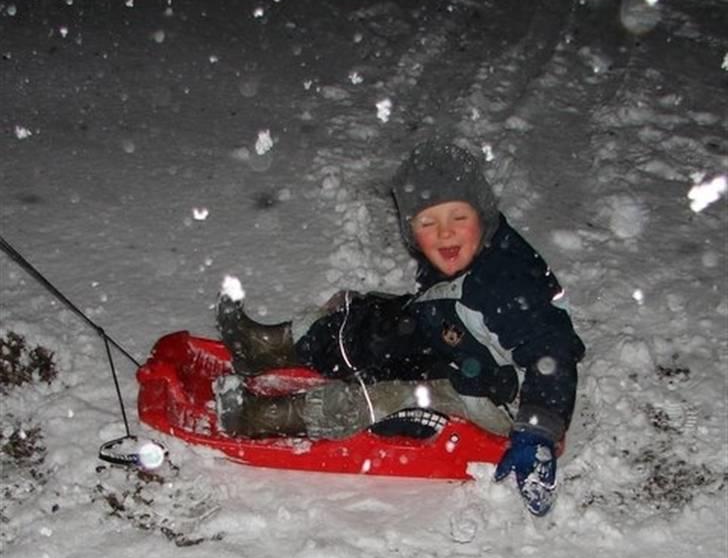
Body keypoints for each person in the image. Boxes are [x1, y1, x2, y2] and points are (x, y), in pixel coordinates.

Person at [216, 140, 585, 516]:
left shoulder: (506, 286)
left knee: (393, 393)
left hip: (498, 396)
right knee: (377, 322)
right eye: (428, 223)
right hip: (460, 342)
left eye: (458, 217)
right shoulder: (466, 256)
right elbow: (443, 302)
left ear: (483, 213)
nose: (444, 234)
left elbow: (550, 352)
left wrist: (536, 432)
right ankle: (268, 346)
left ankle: (266, 417)